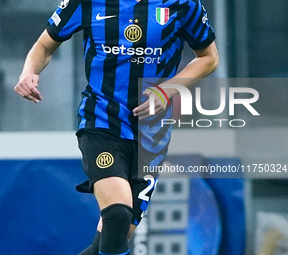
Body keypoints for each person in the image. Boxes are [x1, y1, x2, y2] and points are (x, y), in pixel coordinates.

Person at [14, 0, 218, 254]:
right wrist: (27, 72)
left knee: (112, 237)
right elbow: (45, 44)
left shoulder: (183, 4)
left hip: (152, 134)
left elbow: (209, 58)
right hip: (102, 121)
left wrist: (167, 91)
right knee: (118, 214)